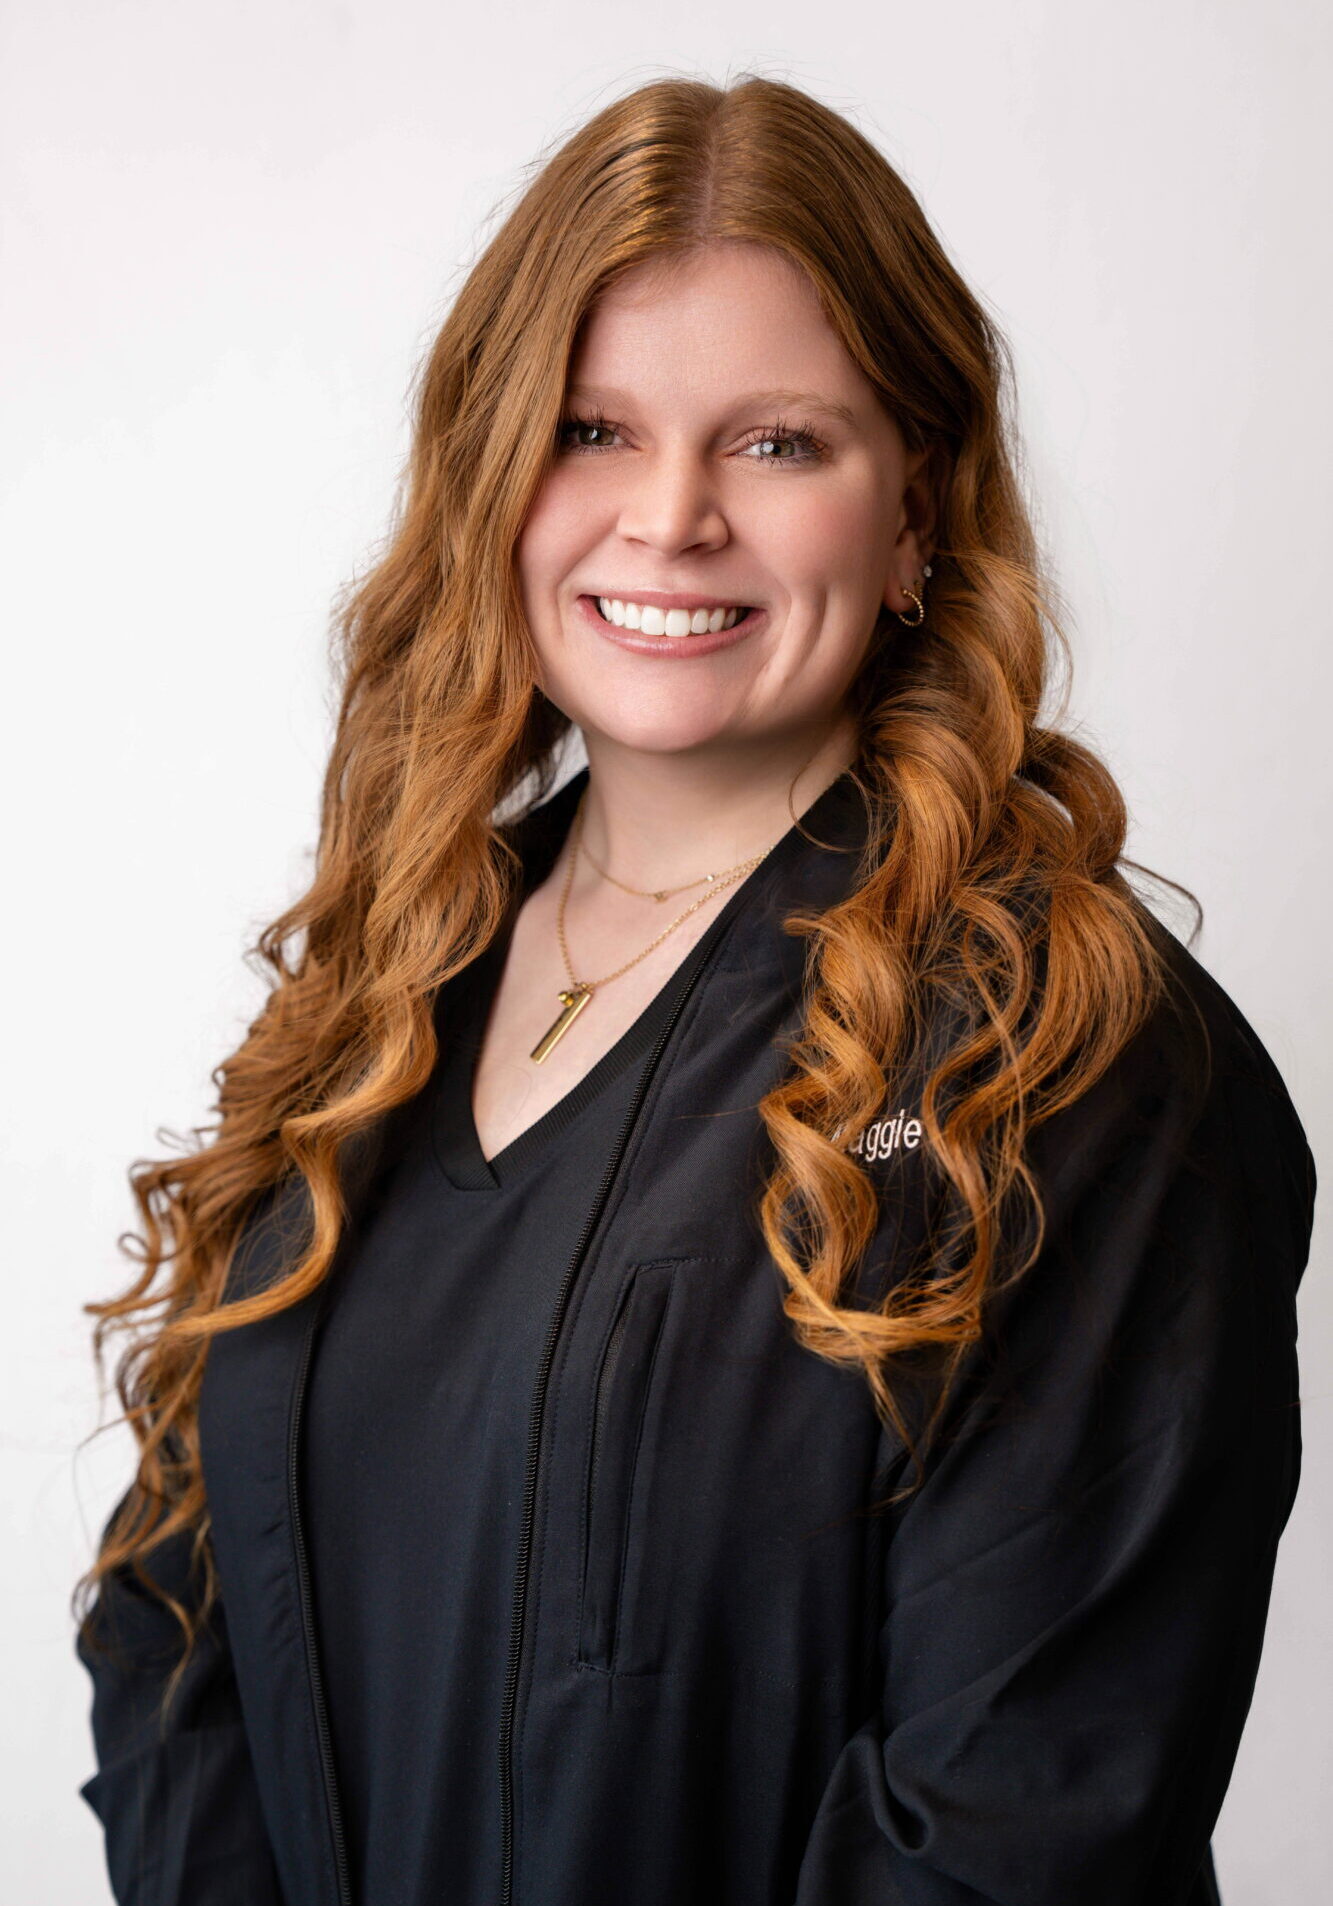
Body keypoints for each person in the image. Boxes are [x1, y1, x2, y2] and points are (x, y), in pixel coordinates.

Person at [72, 72, 1316, 1906]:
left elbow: (1016, 1834)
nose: (668, 518)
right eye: (593, 428)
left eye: (776, 443)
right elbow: (177, 1626)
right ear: (496, 477)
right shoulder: (386, 988)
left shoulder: (1061, 1057)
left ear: (914, 515)